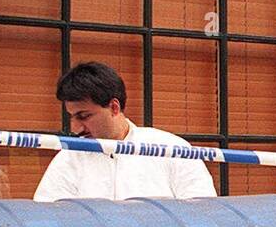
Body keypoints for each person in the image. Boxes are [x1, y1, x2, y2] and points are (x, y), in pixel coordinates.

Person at [34, 61, 216, 201]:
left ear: (114, 107)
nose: (76, 128)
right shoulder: (69, 158)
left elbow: (202, 216)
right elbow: (48, 218)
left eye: (84, 116)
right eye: (72, 117)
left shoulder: (172, 150)